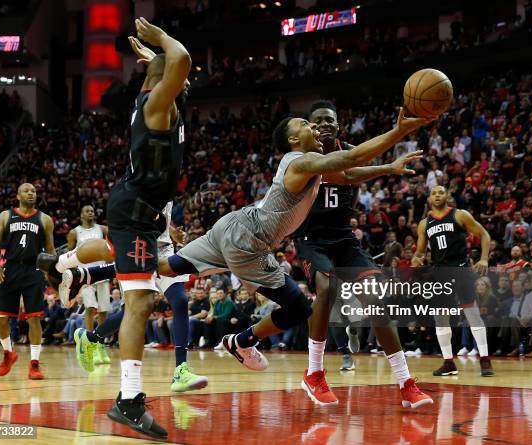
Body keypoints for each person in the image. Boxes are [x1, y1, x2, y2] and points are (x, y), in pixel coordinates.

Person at [156, 105, 429, 407]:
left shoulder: (314, 162)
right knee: (301, 306)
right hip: (250, 242)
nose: (315, 127)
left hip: (234, 225)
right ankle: (281, 358)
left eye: (324, 122)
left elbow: (348, 172)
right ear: (294, 140)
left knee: (166, 266)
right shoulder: (301, 161)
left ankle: (101, 270)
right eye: (307, 124)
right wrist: (400, 131)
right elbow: (351, 160)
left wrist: (389, 168)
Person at [42, 18, 192, 439]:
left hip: (140, 209)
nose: (186, 79)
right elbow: (181, 58)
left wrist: (152, 61)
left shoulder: (159, 98)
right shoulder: (156, 106)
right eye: (177, 78)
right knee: (141, 302)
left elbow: (172, 67)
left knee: (126, 273)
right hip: (137, 209)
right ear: (163, 82)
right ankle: (128, 400)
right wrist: (160, 42)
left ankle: (65, 266)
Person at [293, 100, 431, 407]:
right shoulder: (298, 157)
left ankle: (406, 383)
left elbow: (354, 171)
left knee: (376, 300)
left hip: (343, 238)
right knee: (326, 289)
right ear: (309, 128)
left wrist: (394, 145)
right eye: (318, 121)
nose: (325, 124)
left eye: (330, 119)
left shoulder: (351, 149)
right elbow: (348, 176)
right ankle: (314, 373)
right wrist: (386, 167)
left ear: (339, 126)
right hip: (311, 239)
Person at [412, 186, 495, 377]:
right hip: (440, 272)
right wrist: (417, 258)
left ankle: (485, 359)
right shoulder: (424, 224)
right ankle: (448, 362)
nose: (438, 195)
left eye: (441, 192)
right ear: (429, 199)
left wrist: (484, 258)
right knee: (440, 317)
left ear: (447, 196)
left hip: (461, 269)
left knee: (472, 313)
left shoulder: (460, 215)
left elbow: (483, 234)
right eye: (434, 193)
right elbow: (420, 251)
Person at [0, 183, 55, 380]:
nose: (31, 193)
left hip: (33, 269)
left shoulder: (44, 219)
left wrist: (51, 274)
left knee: (34, 317)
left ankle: (34, 364)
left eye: (34, 191)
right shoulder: (5, 215)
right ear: (18, 195)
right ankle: (8, 353)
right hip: (10, 267)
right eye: (27, 191)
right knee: (0, 317)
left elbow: (51, 250)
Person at [66, 205, 111, 365]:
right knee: (90, 309)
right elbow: (69, 255)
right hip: (85, 276)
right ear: (81, 215)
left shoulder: (103, 229)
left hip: (103, 273)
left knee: (104, 311)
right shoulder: (74, 233)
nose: (91, 213)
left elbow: (111, 249)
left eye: (92, 210)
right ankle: (90, 343)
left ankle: (101, 345)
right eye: (87, 211)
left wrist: (111, 268)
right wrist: (74, 279)